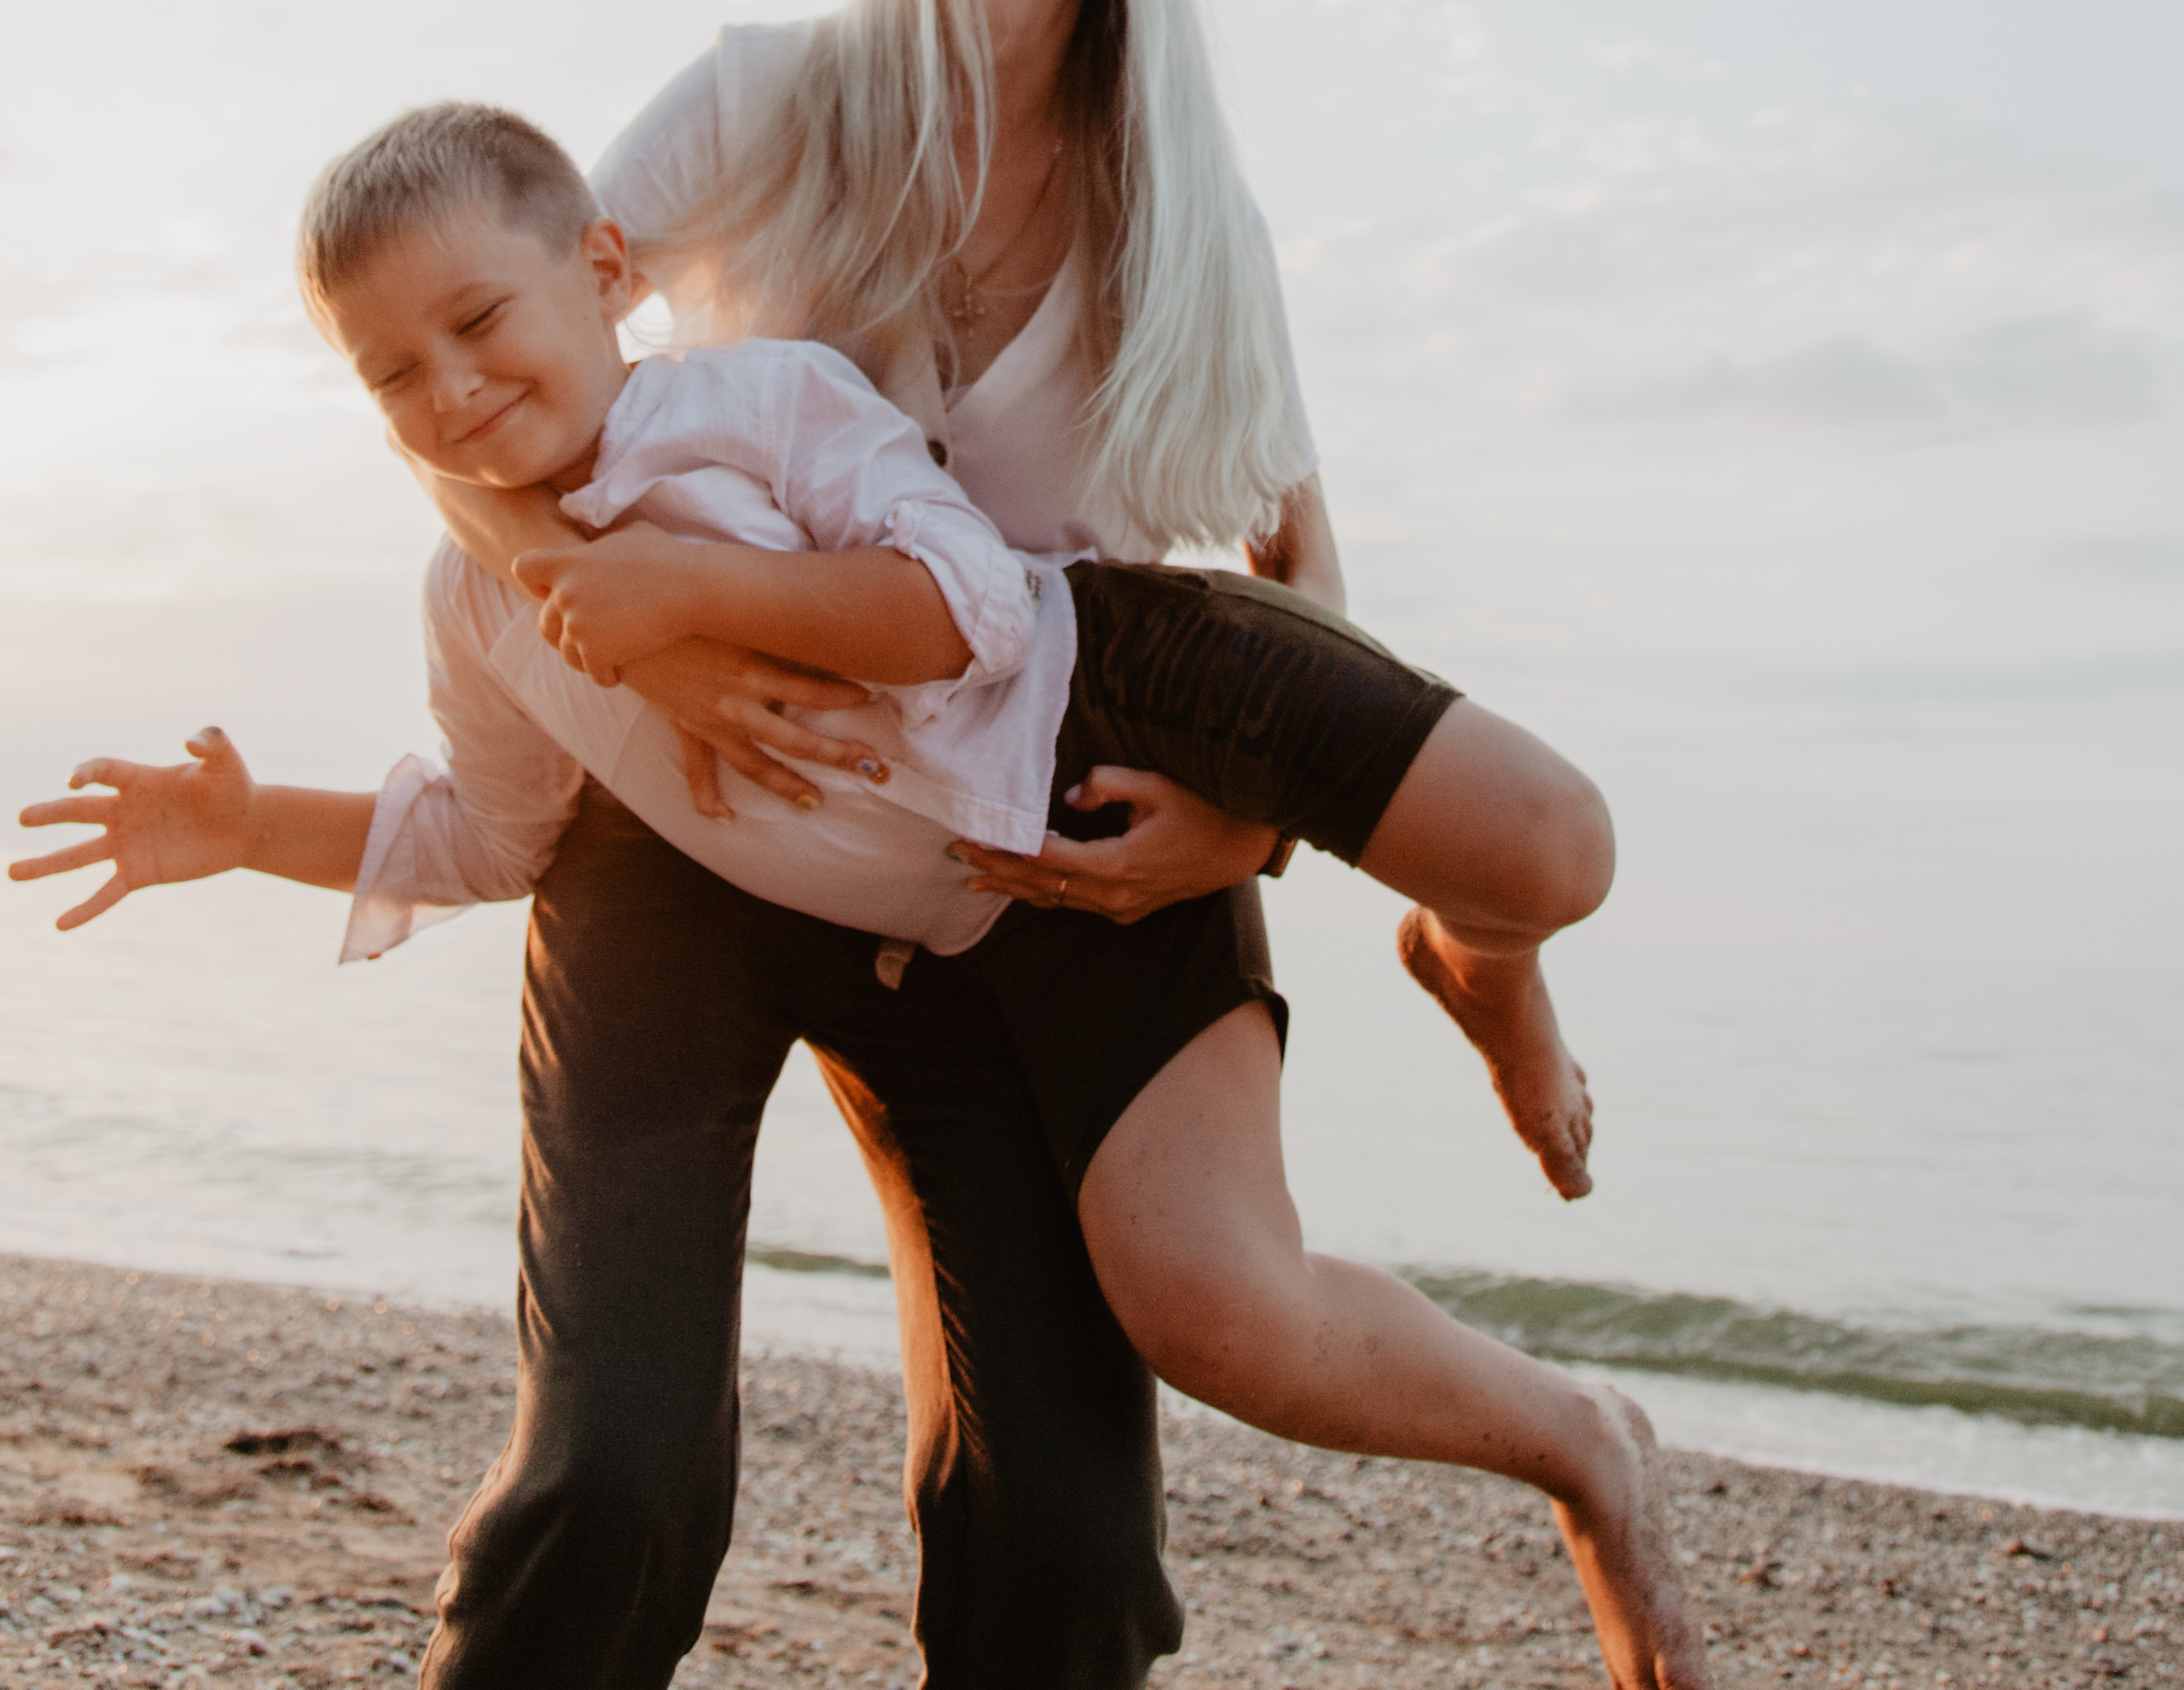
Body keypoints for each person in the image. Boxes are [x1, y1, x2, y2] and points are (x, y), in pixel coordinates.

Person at [19, 91, 1707, 1690]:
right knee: (1068, 1372)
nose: (452, 390)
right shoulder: (476, 605)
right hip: (919, 916)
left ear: (605, 274)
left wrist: (688, 588)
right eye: (393, 372)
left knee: (1551, 851)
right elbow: (488, 834)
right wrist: (242, 827)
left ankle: (1485, 965)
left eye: (478, 323)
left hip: (1120, 683)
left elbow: (970, 598)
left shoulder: (756, 403)